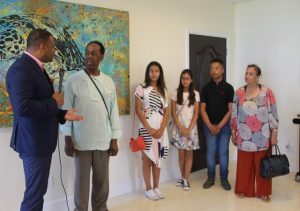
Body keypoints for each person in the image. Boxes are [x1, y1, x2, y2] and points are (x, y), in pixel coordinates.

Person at [5, 28, 83, 211]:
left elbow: (38, 105)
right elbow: (23, 108)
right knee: (34, 195)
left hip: (39, 142)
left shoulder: (35, 68)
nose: (54, 50)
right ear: (42, 46)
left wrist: (62, 114)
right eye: (53, 46)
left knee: (37, 192)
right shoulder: (21, 69)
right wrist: (53, 102)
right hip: (33, 143)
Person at [61, 41, 121, 211]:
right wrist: (67, 139)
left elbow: (113, 112)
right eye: (87, 52)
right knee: (81, 181)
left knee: (102, 181)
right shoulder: (73, 80)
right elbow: (67, 111)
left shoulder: (108, 82)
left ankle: (101, 208)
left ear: (101, 56)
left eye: (94, 53)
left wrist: (114, 139)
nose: (89, 56)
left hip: (103, 139)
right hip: (81, 140)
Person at [230, 64, 278, 202]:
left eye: (251, 74)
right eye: (246, 73)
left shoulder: (267, 92)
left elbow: (273, 113)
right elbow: (234, 114)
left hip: (263, 136)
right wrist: (233, 132)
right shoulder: (239, 92)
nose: (247, 76)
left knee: (263, 166)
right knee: (244, 165)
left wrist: (274, 134)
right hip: (244, 136)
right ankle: (243, 189)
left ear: (258, 76)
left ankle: (264, 192)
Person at [134, 61, 169, 201]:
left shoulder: (163, 90)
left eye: (157, 71)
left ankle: (156, 187)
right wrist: (149, 129)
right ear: (148, 73)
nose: (154, 73)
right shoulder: (141, 88)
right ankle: (148, 188)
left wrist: (161, 129)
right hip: (146, 128)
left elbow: (166, 112)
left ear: (160, 73)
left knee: (158, 159)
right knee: (147, 159)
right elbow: (138, 110)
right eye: (151, 71)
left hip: (160, 129)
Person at [200, 58, 234, 191]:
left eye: (216, 68)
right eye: (211, 68)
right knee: (210, 152)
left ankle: (224, 179)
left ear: (222, 70)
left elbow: (231, 110)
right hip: (209, 126)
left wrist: (219, 126)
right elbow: (202, 109)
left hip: (224, 127)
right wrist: (210, 126)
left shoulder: (229, 88)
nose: (213, 71)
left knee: (223, 153)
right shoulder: (206, 88)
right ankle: (210, 178)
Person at [171, 69, 200, 191]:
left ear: (191, 80)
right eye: (183, 78)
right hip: (178, 128)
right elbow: (173, 113)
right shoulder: (175, 93)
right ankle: (183, 177)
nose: (185, 80)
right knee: (181, 154)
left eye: (187, 78)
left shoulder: (196, 94)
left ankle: (186, 179)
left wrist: (188, 129)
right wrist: (181, 128)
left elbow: (196, 113)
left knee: (189, 153)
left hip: (191, 129)